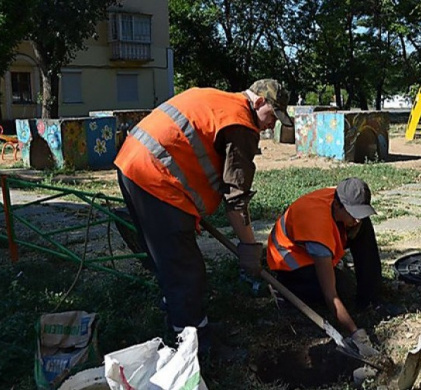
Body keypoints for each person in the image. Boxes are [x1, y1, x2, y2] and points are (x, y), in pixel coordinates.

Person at [113, 79, 294, 347]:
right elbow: (235, 199)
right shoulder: (241, 123)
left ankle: (179, 313)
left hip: (132, 163)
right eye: (272, 116)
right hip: (156, 178)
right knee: (185, 268)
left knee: (169, 260)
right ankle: (191, 344)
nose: (272, 125)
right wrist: (248, 246)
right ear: (258, 102)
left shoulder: (219, 101)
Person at [266, 177, 383, 357]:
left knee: (364, 227)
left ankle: (370, 300)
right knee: (341, 289)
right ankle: (283, 290)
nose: (357, 220)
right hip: (289, 261)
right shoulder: (317, 229)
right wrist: (355, 333)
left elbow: (355, 221)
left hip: (314, 243)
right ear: (337, 205)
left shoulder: (341, 201)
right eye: (353, 214)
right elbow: (331, 296)